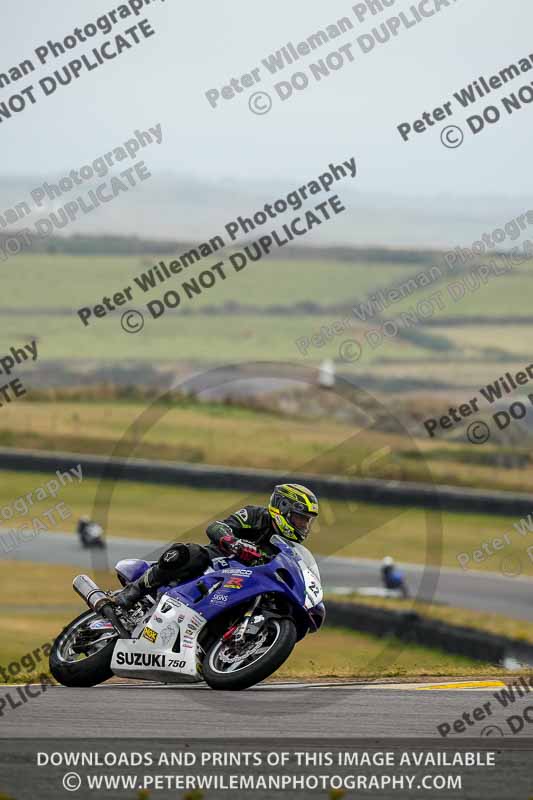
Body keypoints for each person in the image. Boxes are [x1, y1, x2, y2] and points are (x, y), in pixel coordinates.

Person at [115, 483, 319, 608]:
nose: (303, 526)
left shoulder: (288, 546)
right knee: (192, 553)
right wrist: (233, 542)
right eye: (300, 519)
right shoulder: (255, 515)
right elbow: (217, 527)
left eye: (306, 521)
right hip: (214, 563)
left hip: (241, 582)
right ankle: (135, 590)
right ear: (283, 508)